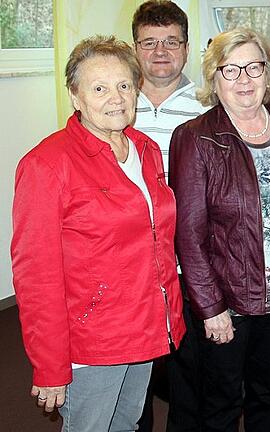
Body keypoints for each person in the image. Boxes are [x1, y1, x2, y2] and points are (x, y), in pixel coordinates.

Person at [10, 35, 186, 431]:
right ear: (75, 97)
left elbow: (155, 239)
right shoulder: (47, 165)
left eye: (124, 85)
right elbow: (36, 277)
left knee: (127, 425)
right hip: (93, 340)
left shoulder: (144, 149)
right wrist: (50, 365)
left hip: (145, 326)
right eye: (100, 88)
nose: (116, 98)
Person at [169, 28, 270, 432]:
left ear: (268, 75)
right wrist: (210, 308)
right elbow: (189, 236)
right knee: (222, 402)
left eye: (253, 67)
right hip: (228, 298)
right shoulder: (195, 138)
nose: (244, 79)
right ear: (214, 79)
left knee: (268, 393)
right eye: (230, 70)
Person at [131, 1, 207, 430]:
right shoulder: (115, 103)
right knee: (135, 372)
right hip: (131, 264)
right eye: (149, 42)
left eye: (171, 42)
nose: (161, 52)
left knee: (188, 372)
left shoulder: (207, 105)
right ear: (135, 47)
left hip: (187, 264)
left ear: (186, 46)